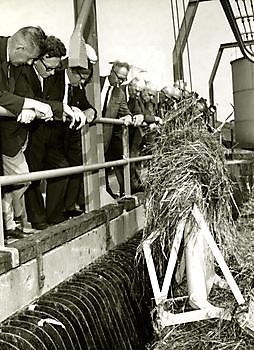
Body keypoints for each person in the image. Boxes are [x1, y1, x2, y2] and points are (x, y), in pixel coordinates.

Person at [14, 35, 80, 230]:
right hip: (29, 135)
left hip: (49, 135)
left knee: (63, 168)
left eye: (55, 69)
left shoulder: (53, 73)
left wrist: (73, 109)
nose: (52, 73)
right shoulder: (24, 72)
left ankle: (54, 215)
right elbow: (28, 98)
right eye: (49, 68)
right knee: (33, 177)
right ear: (38, 59)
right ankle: (39, 220)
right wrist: (60, 108)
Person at [0, 26, 56, 240]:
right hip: (8, 136)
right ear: (20, 47)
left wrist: (25, 107)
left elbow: (15, 94)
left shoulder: (15, 59)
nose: (31, 64)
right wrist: (27, 104)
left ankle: (9, 224)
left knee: (15, 180)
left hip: (12, 135)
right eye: (31, 59)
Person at [63, 44, 97, 219]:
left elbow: (87, 106)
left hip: (71, 135)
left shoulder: (78, 86)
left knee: (76, 167)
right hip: (55, 134)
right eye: (82, 77)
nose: (83, 82)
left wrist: (91, 111)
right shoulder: (58, 75)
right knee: (58, 171)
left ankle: (69, 206)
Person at [101, 60, 132, 198]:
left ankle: (105, 192)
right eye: (119, 78)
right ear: (111, 71)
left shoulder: (120, 93)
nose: (120, 82)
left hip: (104, 138)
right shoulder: (96, 83)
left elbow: (125, 111)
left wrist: (129, 117)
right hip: (85, 135)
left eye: (124, 79)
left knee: (103, 167)